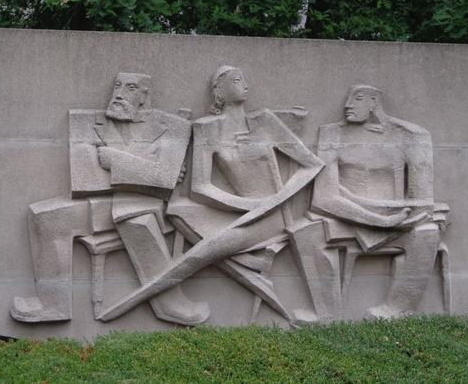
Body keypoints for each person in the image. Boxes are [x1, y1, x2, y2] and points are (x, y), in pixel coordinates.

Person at [98, 66, 324, 322]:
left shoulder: (264, 121)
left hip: (272, 218)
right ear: (219, 90)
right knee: (175, 209)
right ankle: (243, 261)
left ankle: (135, 300)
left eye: (244, 79)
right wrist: (246, 205)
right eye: (238, 80)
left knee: (201, 254)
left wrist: (278, 198)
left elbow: (312, 164)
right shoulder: (207, 128)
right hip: (240, 209)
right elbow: (201, 187)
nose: (246, 85)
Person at [10, 72, 210, 326]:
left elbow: (165, 179)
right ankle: (53, 304)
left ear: (143, 96)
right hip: (104, 202)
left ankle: (170, 302)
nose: (119, 93)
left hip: (148, 205)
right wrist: (147, 167)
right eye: (117, 86)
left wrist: (115, 159)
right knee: (46, 217)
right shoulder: (88, 122)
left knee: (137, 218)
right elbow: (86, 177)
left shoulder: (172, 125)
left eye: (130, 87)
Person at [288, 84, 448, 321]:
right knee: (303, 232)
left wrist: (398, 219)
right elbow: (323, 198)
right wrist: (378, 219)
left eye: (358, 99)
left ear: (374, 103)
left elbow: (422, 199)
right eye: (348, 99)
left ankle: (397, 310)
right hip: (347, 217)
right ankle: (326, 315)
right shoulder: (333, 134)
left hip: (398, 221)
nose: (347, 105)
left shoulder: (411, 135)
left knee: (427, 231)